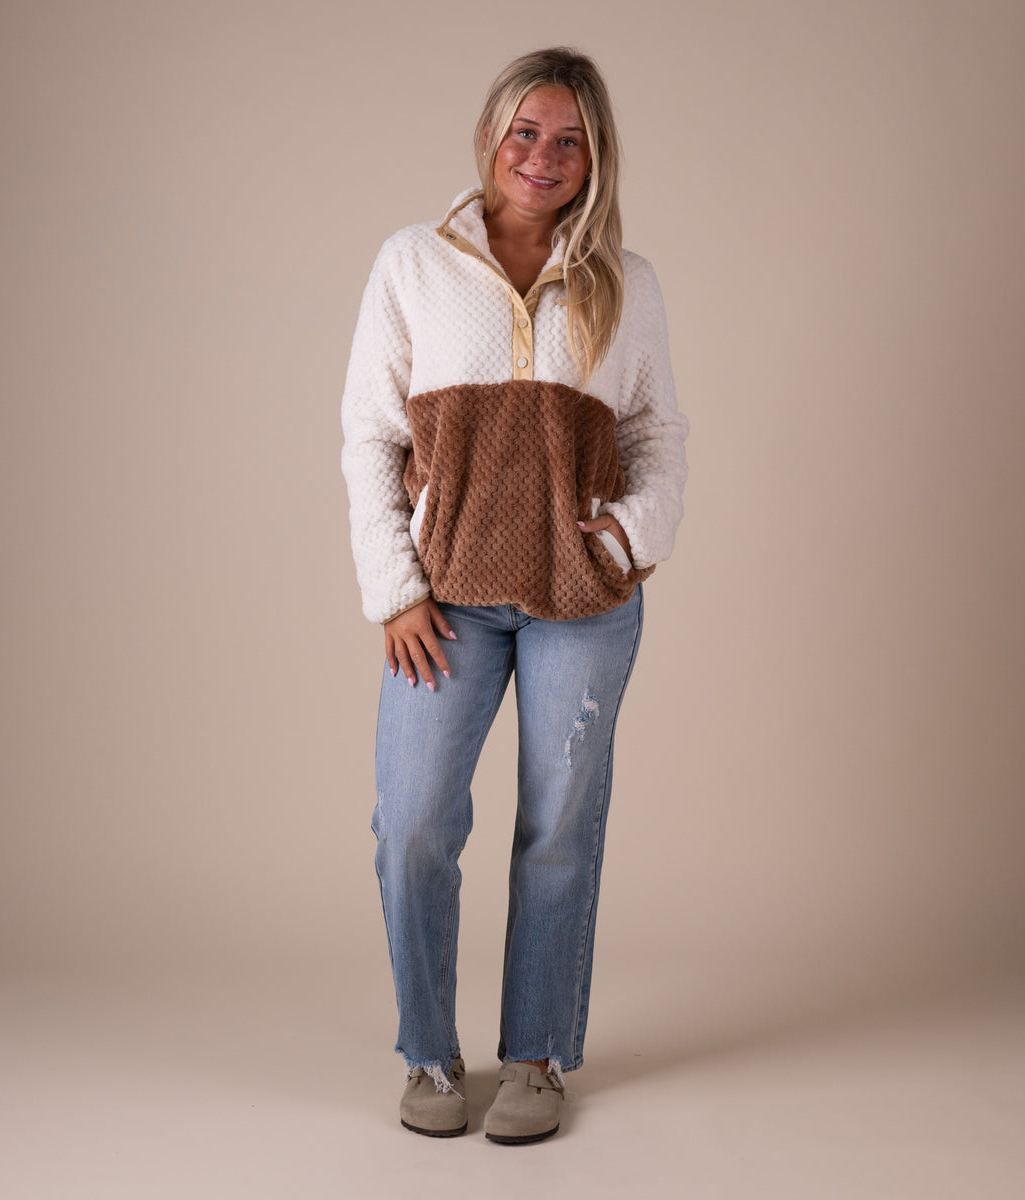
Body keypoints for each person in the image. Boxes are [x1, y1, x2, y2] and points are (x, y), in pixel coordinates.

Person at [341, 47, 688, 1143]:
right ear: (491, 136)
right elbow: (368, 434)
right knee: (414, 823)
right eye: (525, 132)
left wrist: (627, 538)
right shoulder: (414, 262)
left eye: (569, 140)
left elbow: (656, 438)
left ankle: (535, 1058)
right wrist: (394, 589)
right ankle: (431, 1058)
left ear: (595, 159)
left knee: (558, 829)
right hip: (447, 599)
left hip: (580, 601)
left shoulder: (624, 281)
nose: (542, 157)